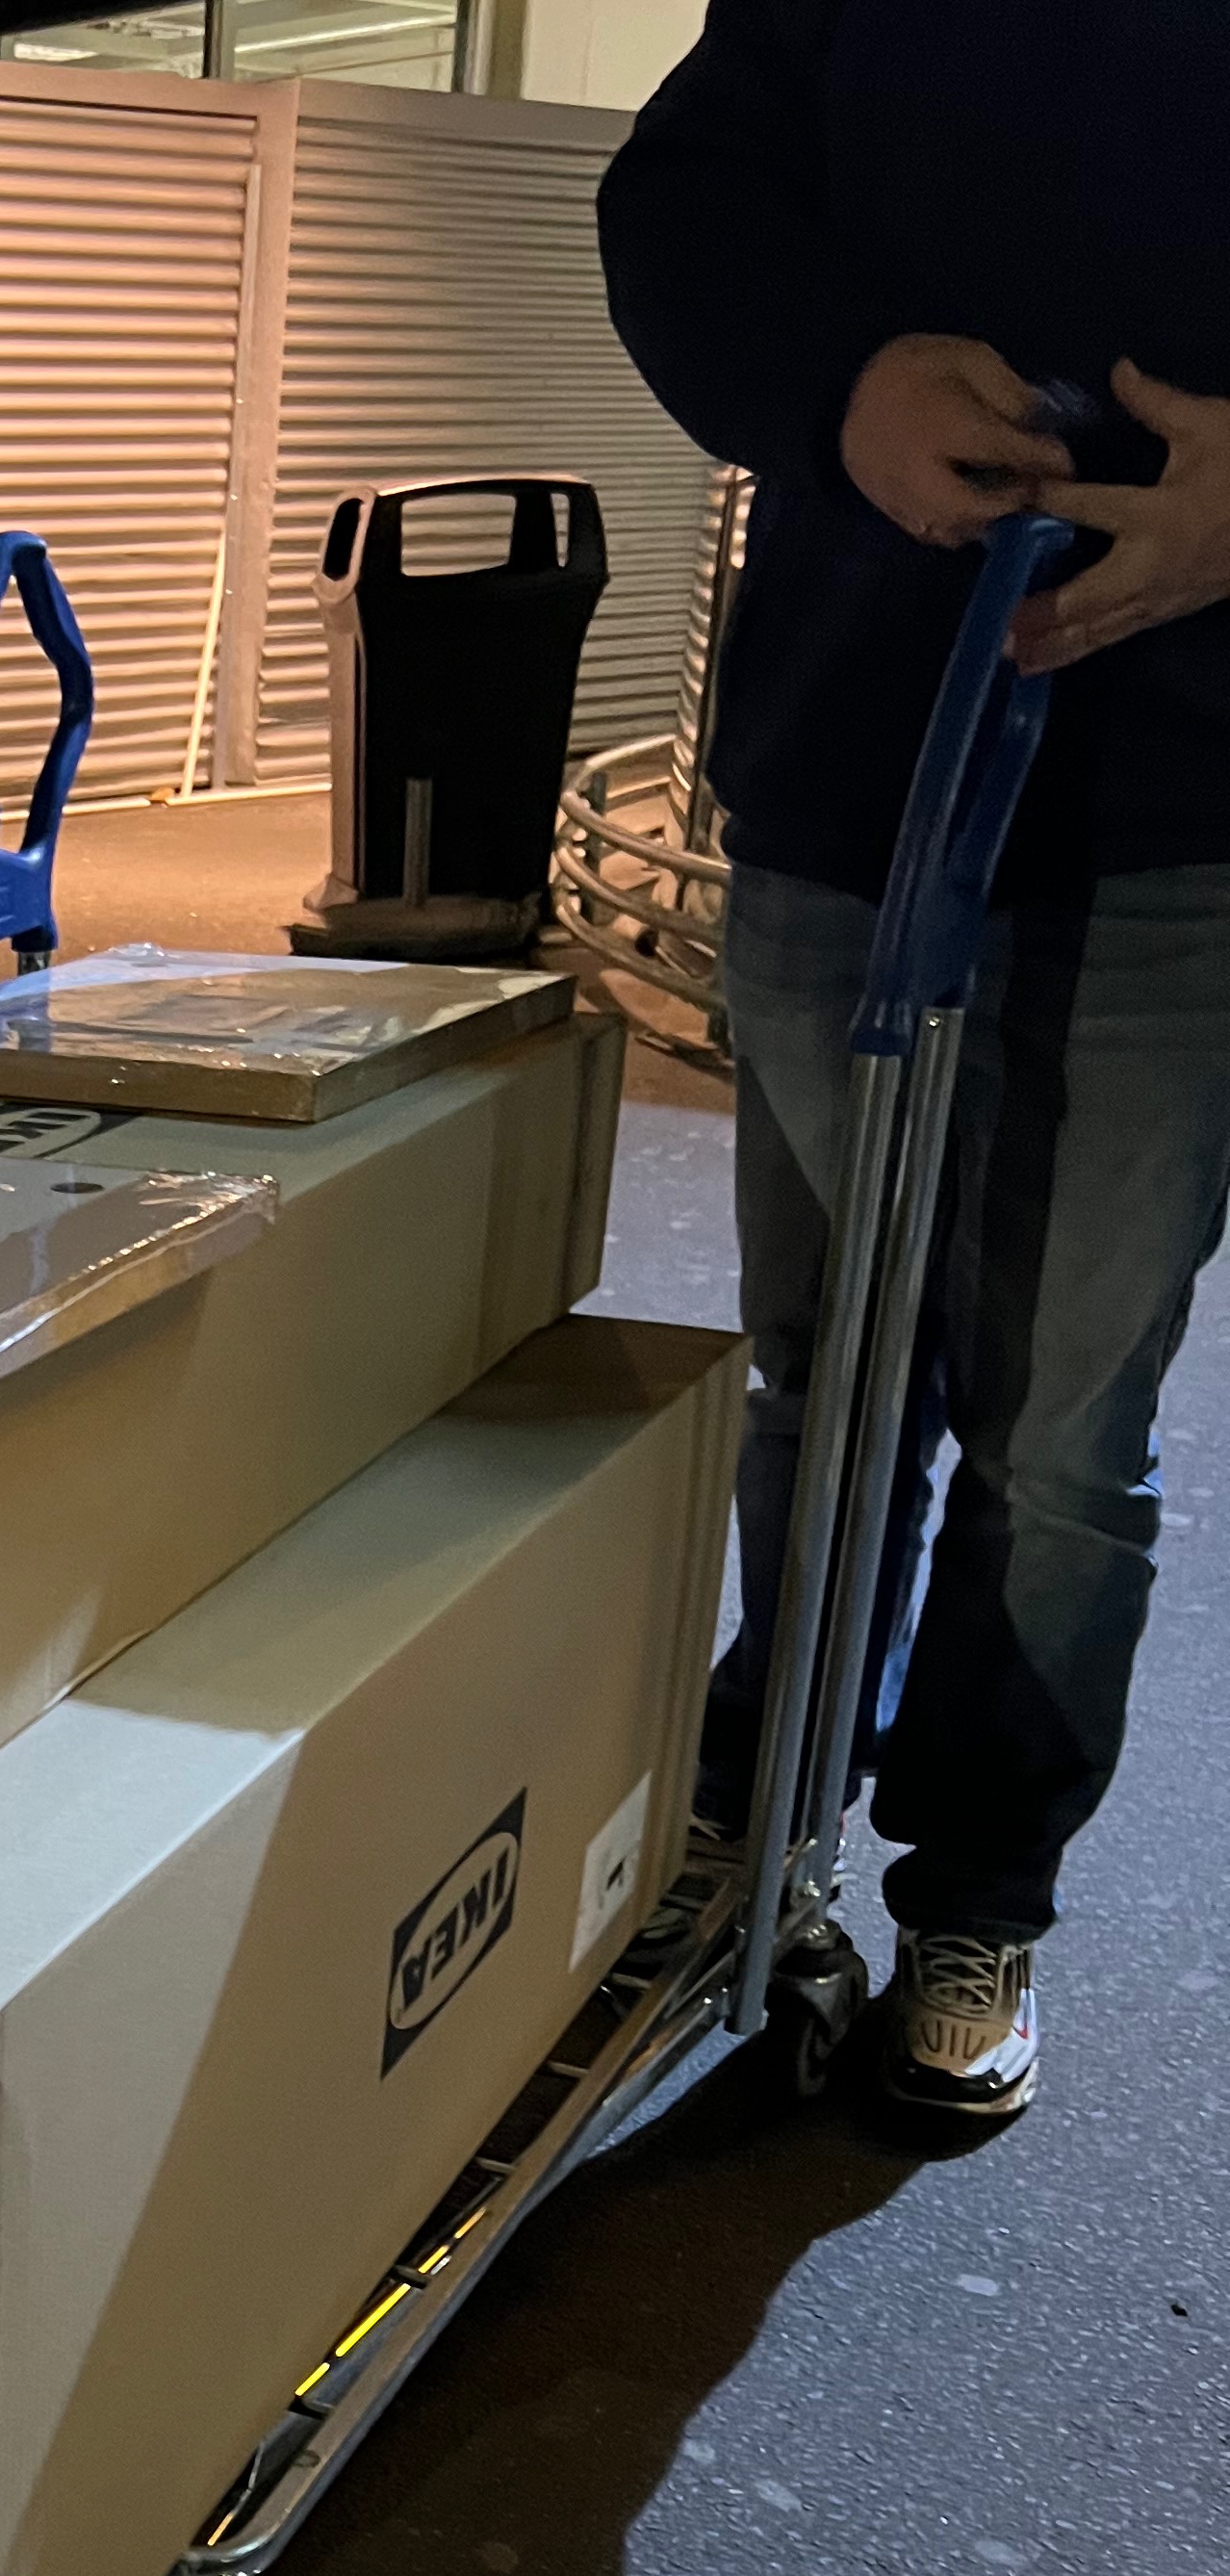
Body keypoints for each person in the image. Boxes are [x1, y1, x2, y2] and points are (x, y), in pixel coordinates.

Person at [598, 0, 1230, 2121]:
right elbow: (687, 199)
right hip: (851, 769)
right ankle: (766, 1818)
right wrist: (843, 383)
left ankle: (982, 1891)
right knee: (828, 1380)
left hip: (1182, 820)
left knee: (1065, 1433)